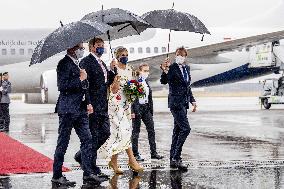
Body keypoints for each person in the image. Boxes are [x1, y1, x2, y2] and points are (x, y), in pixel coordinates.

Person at [52, 43, 104, 187]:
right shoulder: (63, 64)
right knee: (63, 143)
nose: (82, 49)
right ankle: (57, 176)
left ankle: (88, 174)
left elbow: (85, 86)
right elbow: (62, 86)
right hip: (68, 110)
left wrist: (88, 102)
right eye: (80, 47)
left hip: (80, 110)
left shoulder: (78, 64)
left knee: (88, 140)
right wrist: (79, 79)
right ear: (71, 49)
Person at [75, 37, 117, 179]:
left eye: (103, 45)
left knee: (105, 133)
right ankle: (90, 170)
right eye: (99, 45)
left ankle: (82, 156)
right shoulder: (86, 62)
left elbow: (107, 82)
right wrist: (88, 102)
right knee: (93, 137)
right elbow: (84, 84)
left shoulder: (102, 63)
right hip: (92, 105)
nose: (101, 48)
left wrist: (112, 70)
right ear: (92, 47)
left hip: (102, 105)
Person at [99, 47, 143, 174]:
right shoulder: (113, 69)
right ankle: (132, 160)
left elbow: (133, 85)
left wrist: (136, 89)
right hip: (115, 104)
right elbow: (112, 89)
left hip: (126, 105)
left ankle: (113, 161)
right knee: (124, 131)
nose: (125, 56)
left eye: (126, 54)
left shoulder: (130, 69)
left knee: (121, 133)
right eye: (122, 54)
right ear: (117, 56)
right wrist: (115, 79)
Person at [160, 47, 197, 171]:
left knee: (177, 131)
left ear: (185, 56)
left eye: (182, 55)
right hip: (175, 103)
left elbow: (187, 86)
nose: (180, 56)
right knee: (186, 129)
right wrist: (165, 70)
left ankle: (173, 159)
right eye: (178, 54)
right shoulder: (172, 68)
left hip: (184, 103)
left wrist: (192, 100)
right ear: (175, 55)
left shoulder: (187, 68)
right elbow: (164, 81)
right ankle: (176, 157)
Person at [131, 63, 164, 161]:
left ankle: (154, 153)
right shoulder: (134, 82)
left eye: (147, 71)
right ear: (139, 71)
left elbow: (149, 98)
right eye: (145, 71)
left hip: (146, 108)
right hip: (137, 108)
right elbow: (131, 98)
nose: (147, 73)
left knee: (151, 130)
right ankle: (135, 154)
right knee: (136, 132)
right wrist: (132, 111)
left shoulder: (146, 82)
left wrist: (150, 110)